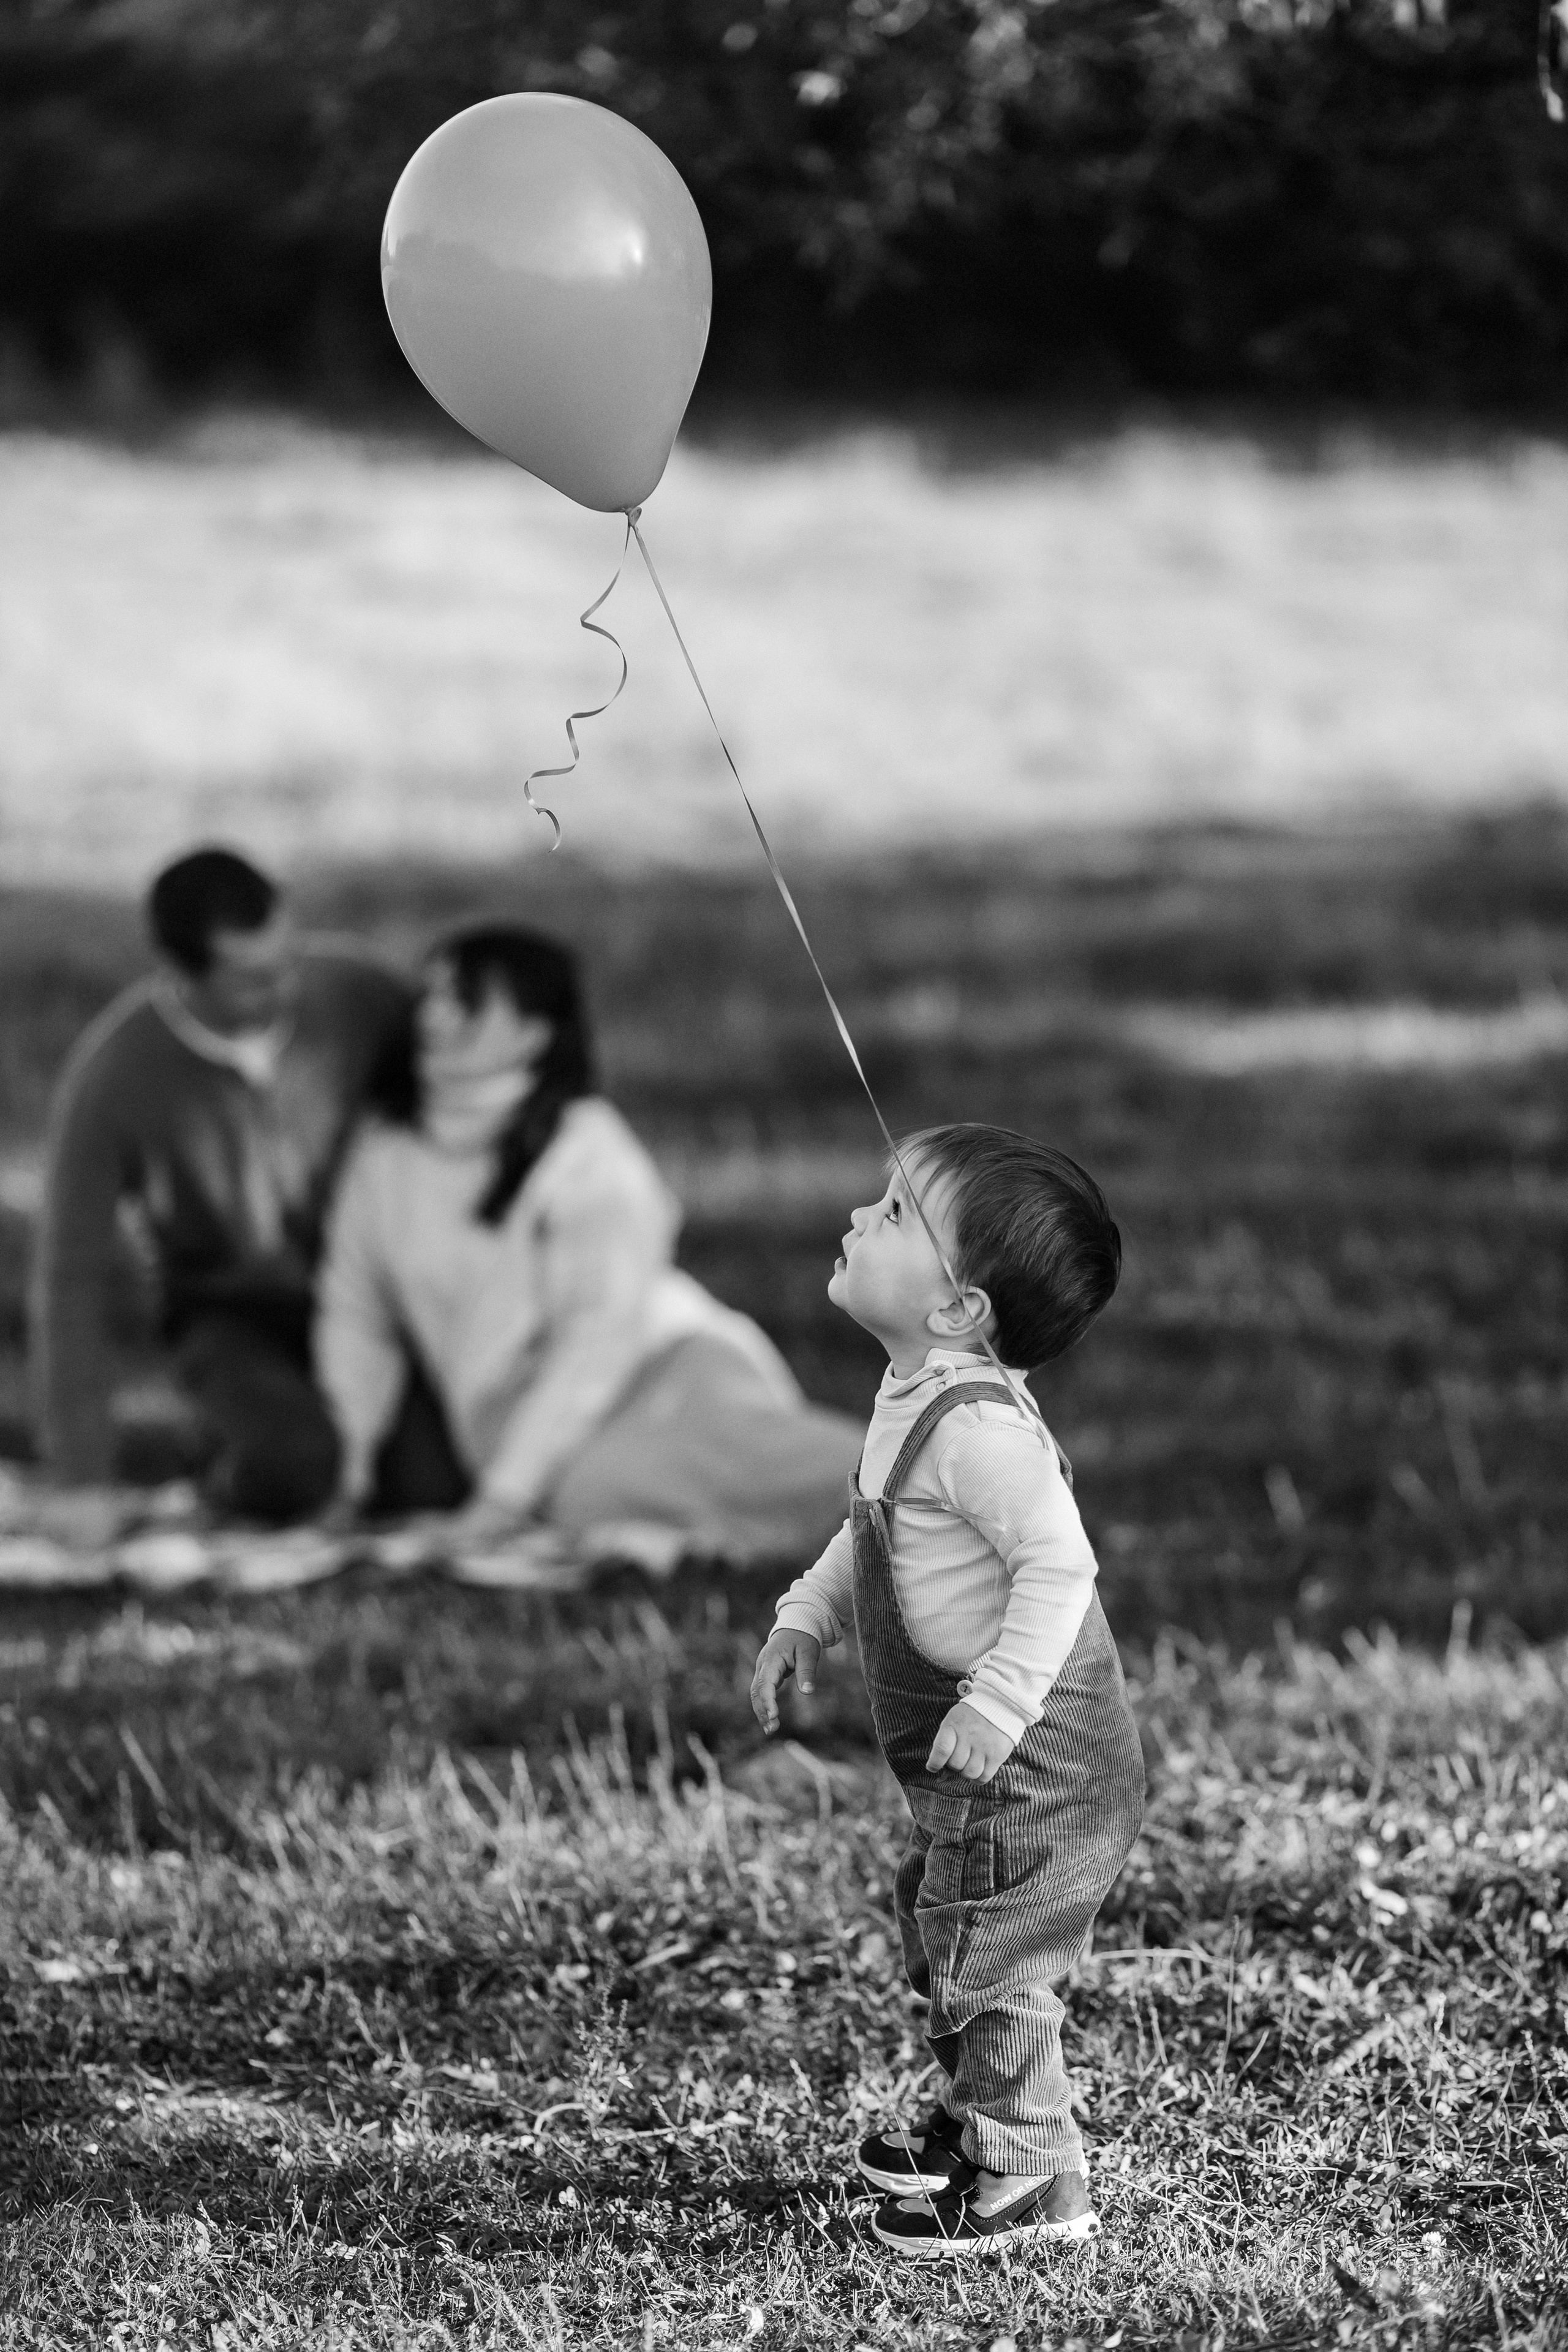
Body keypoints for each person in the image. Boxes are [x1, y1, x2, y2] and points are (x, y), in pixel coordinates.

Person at [750, 1125, 1144, 2258]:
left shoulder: (978, 1430)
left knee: (992, 1953)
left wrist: (999, 1703)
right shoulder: (916, 1394)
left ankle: (1028, 2187)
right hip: (983, 1766)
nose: (857, 1220)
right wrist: (802, 1616)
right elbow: (870, 1533)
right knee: (948, 1936)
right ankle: (989, 2126)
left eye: (893, 1216)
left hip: (1034, 1767)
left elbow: (1060, 1564)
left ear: (959, 1309)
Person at [314, 923, 863, 1556]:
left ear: (533, 1034)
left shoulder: (587, 1149)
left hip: (666, 1371)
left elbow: (596, 1338)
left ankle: (955, 1493)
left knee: (827, 1476)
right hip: (557, 1446)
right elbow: (356, 1315)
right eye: (429, 996)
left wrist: (501, 1500)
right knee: (587, 1494)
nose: (434, 1017)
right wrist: (347, 1476)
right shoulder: (386, 1153)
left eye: (465, 1000)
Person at [31, 848, 411, 1521]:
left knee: (431, 1481)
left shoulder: (356, 993)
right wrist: (83, 1478)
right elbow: (70, 1280)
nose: (287, 988)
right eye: (253, 979)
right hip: (229, 1316)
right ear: (177, 972)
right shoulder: (115, 1077)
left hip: (374, 1295)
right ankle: (224, 1474)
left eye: (290, 959)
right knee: (301, 1470)